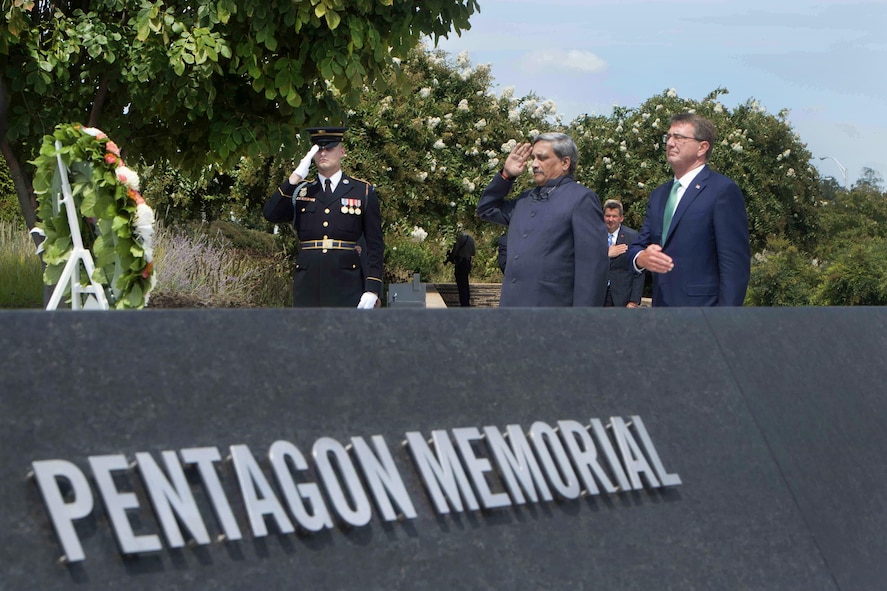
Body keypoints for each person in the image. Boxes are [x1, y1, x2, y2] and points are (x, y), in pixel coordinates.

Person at [628, 113, 750, 306]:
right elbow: (637, 246)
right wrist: (642, 258)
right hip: (662, 312)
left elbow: (734, 266)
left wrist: (725, 321)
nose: (670, 143)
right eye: (668, 137)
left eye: (679, 137)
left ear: (702, 147)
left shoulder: (722, 191)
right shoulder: (659, 195)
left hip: (703, 314)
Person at [477, 132, 608, 307]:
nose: (534, 164)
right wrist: (506, 175)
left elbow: (592, 269)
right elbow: (486, 209)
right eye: (533, 158)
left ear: (565, 163)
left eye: (542, 158)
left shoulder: (581, 199)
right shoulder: (524, 200)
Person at [263, 127, 384, 308]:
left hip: (347, 281)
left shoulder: (361, 190)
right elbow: (271, 214)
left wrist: (372, 288)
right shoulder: (301, 190)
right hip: (308, 281)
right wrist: (295, 178)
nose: (323, 153)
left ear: (342, 152)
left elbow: (374, 244)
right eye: (318, 149)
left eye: (329, 148)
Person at [603, 199, 645, 308]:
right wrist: (605, 254)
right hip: (598, 296)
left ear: (621, 218)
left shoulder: (633, 237)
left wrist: (634, 301)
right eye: (607, 216)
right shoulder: (594, 236)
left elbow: (639, 271)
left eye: (614, 216)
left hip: (622, 297)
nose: (610, 219)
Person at [446, 232, 476, 306]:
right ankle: (466, 301)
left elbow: (455, 251)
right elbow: (473, 253)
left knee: (461, 283)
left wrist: (452, 257)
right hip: (467, 262)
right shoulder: (471, 240)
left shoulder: (460, 239)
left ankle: (463, 302)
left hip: (461, 263)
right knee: (465, 282)